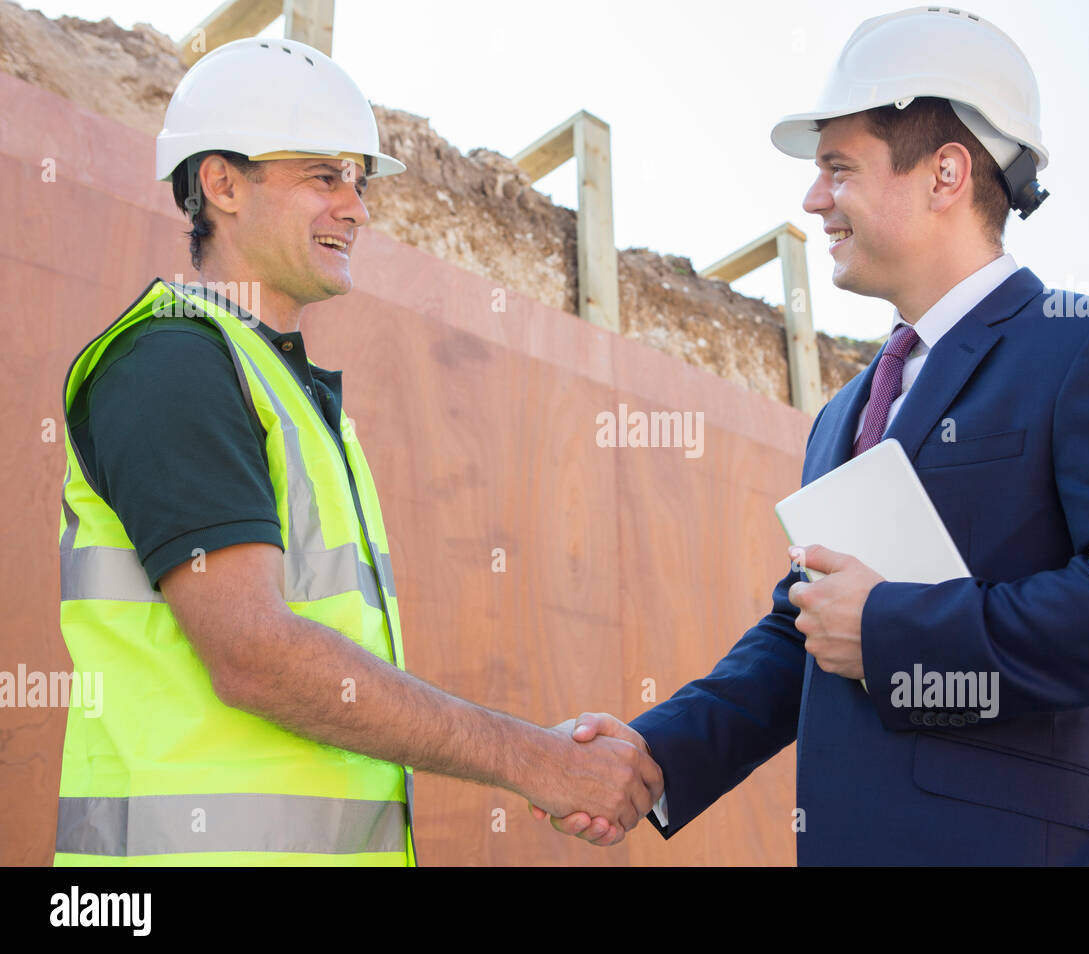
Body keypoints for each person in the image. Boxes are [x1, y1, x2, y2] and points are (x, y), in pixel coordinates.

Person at [535, 6, 1089, 863]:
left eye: (838, 167)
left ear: (945, 173)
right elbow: (810, 628)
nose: (811, 198)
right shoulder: (846, 411)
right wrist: (658, 754)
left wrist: (892, 630)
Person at [53, 37, 660, 866]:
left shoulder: (283, 389)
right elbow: (255, 655)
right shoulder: (173, 361)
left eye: (359, 182)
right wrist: (536, 759)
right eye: (323, 177)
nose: (357, 208)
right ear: (222, 184)